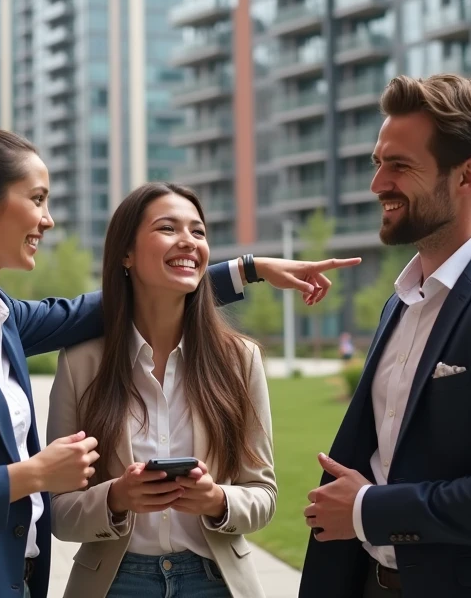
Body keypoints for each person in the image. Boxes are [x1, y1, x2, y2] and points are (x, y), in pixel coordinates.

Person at [0, 129, 352, 598]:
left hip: (10, 580)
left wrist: (249, 269)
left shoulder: (0, 319)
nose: (47, 220)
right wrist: (32, 476)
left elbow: (126, 296)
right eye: (38, 199)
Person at [300, 75, 471, 598]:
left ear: (467, 176)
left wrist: (368, 511)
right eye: (377, 163)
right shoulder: (400, 301)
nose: (378, 183)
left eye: (400, 165)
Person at [48, 182, 360, 598]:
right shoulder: (80, 364)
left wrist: (216, 501)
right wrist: (116, 497)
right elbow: (59, 512)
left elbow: (263, 493)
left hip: (215, 583)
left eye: (198, 232)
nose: (189, 242)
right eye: (168, 228)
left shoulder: (240, 359)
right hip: (113, 584)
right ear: (126, 253)